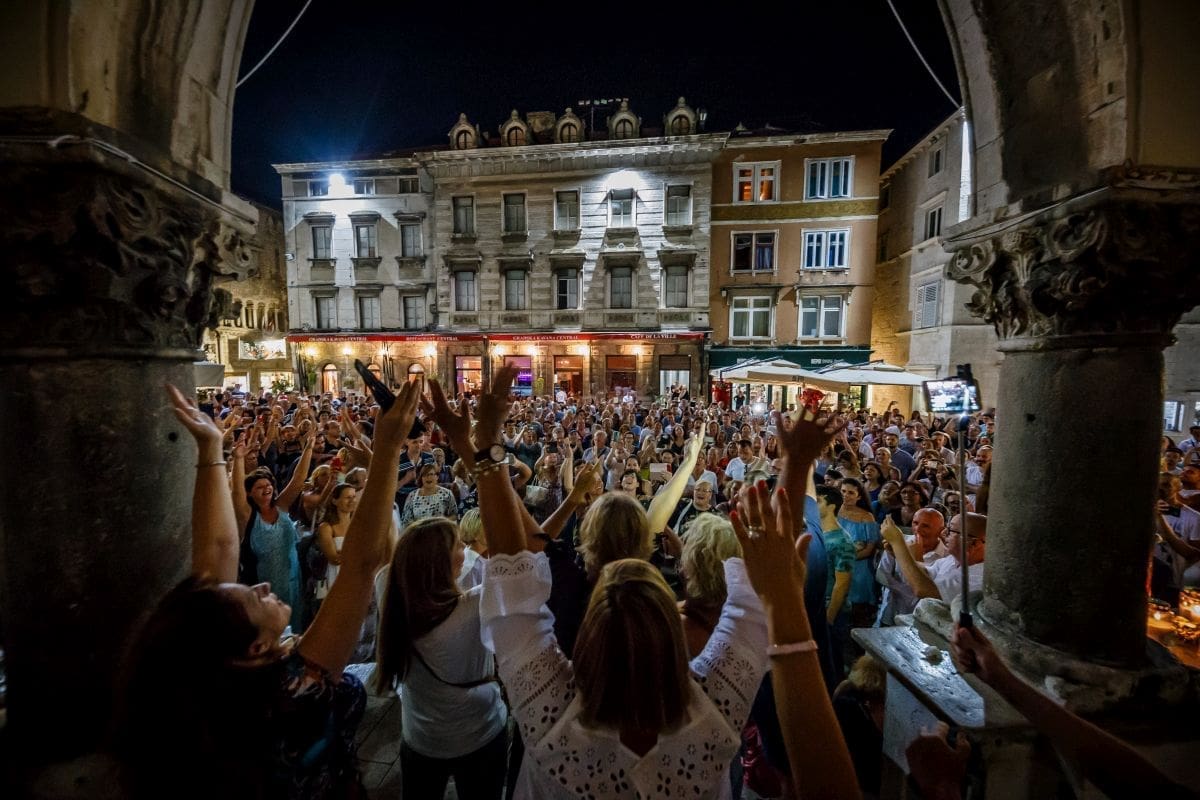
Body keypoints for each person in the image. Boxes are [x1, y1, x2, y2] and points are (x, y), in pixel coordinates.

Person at [440, 366, 836, 798]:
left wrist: (483, 443)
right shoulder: (715, 714)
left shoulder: (546, 710)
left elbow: (514, 567)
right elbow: (767, 589)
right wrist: (798, 463)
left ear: (588, 641)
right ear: (672, 631)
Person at [115, 381, 420, 799]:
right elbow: (361, 565)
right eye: (253, 597)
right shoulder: (294, 693)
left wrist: (212, 451)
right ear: (256, 648)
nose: (257, 584)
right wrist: (387, 449)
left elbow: (218, 552)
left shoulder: (210, 690)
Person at [374, 517, 508, 800]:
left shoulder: (390, 591)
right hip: (479, 733)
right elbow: (523, 560)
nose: (466, 550)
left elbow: (389, 543)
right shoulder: (474, 607)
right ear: (439, 563)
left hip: (421, 738)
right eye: (459, 545)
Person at [232, 432, 316, 631]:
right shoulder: (248, 516)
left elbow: (298, 480)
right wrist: (238, 459)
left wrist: (308, 449)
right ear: (250, 493)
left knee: (294, 622)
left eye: (269, 485)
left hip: (292, 577)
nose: (266, 489)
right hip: (264, 584)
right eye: (259, 487)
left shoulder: (281, 507)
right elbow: (236, 493)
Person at [881, 513, 987, 606]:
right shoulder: (952, 560)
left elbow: (924, 590)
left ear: (974, 543)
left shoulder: (979, 578)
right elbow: (926, 572)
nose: (944, 533)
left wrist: (898, 543)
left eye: (951, 530)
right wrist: (898, 553)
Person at [315, 484, 357, 596]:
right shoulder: (326, 527)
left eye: (354, 497)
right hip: (336, 577)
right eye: (348, 497)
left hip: (357, 577)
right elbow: (334, 558)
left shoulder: (359, 524)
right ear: (335, 501)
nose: (352, 501)